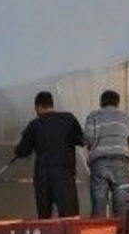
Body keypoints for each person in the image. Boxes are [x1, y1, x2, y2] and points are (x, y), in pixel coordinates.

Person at [14, 90, 85, 218]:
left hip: (43, 177)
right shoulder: (68, 118)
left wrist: (19, 148)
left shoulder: (34, 124)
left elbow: (22, 151)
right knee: (69, 218)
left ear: (38, 107)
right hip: (64, 175)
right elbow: (81, 140)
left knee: (44, 219)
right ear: (52, 104)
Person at [83, 89, 129, 217]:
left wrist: (92, 147)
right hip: (120, 162)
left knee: (99, 203)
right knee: (121, 205)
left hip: (99, 163)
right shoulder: (126, 118)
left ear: (101, 102)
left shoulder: (93, 116)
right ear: (117, 102)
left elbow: (87, 139)